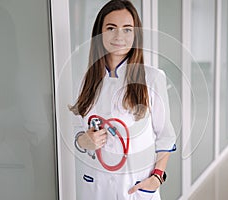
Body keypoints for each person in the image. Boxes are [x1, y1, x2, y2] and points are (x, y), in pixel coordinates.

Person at [69, 0, 176, 199]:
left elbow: (165, 136)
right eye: (111, 28)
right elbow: (76, 130)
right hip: (96, 187)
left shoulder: (152, 78)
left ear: (136, 35)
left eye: (127, 29)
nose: (119, 36)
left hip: (135, 186)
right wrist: (84, 141)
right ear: (99, 34)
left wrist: (157, 178)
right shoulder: (85, 81)